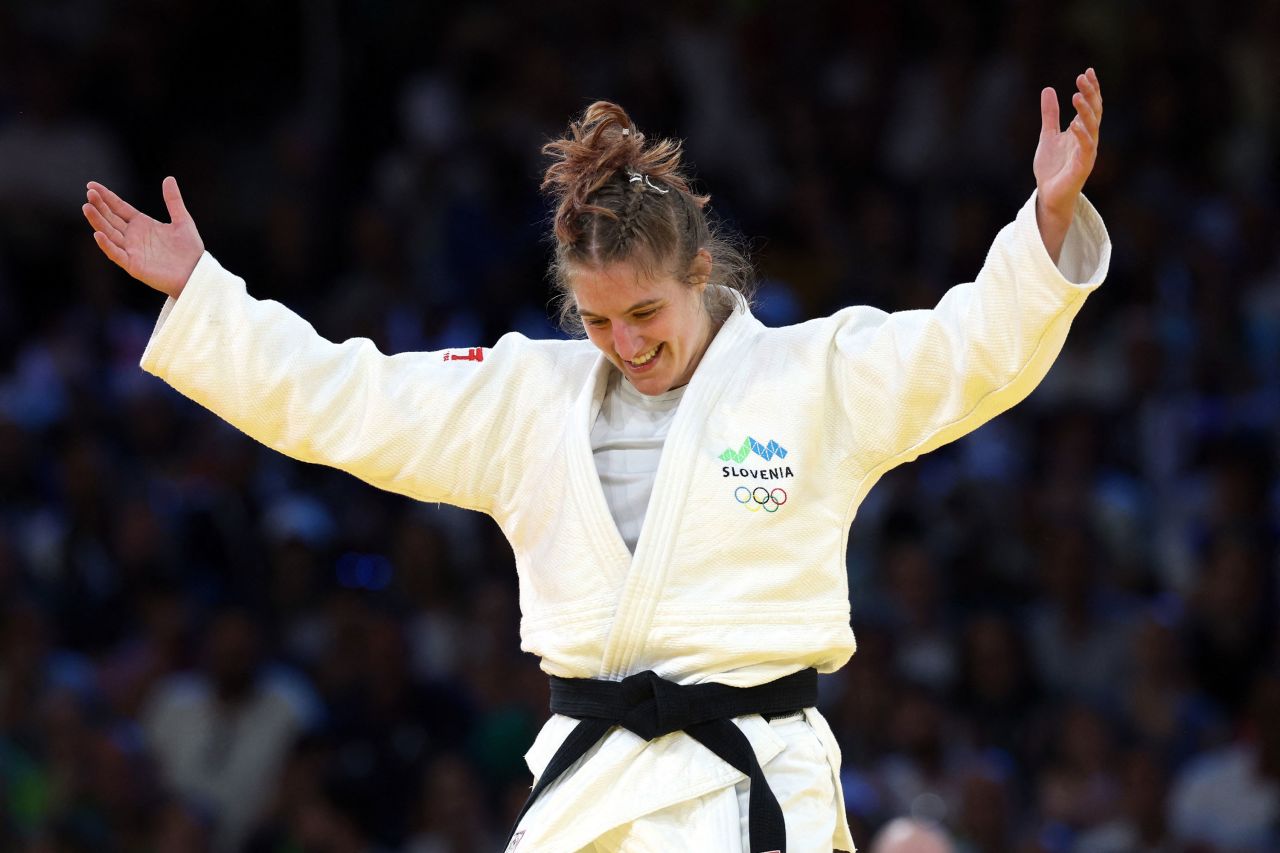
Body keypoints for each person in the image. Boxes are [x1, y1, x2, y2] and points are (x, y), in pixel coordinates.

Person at [82, 68, 1107, 853]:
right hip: (588, 799)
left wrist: (1045, 222)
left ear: (698, 272)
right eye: (599, 318)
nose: (625, 341)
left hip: (749, 788)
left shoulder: (810, 377)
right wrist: (203, 297)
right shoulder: (526, 398)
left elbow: (967, 349)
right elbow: (344, 399)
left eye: (647, 311)